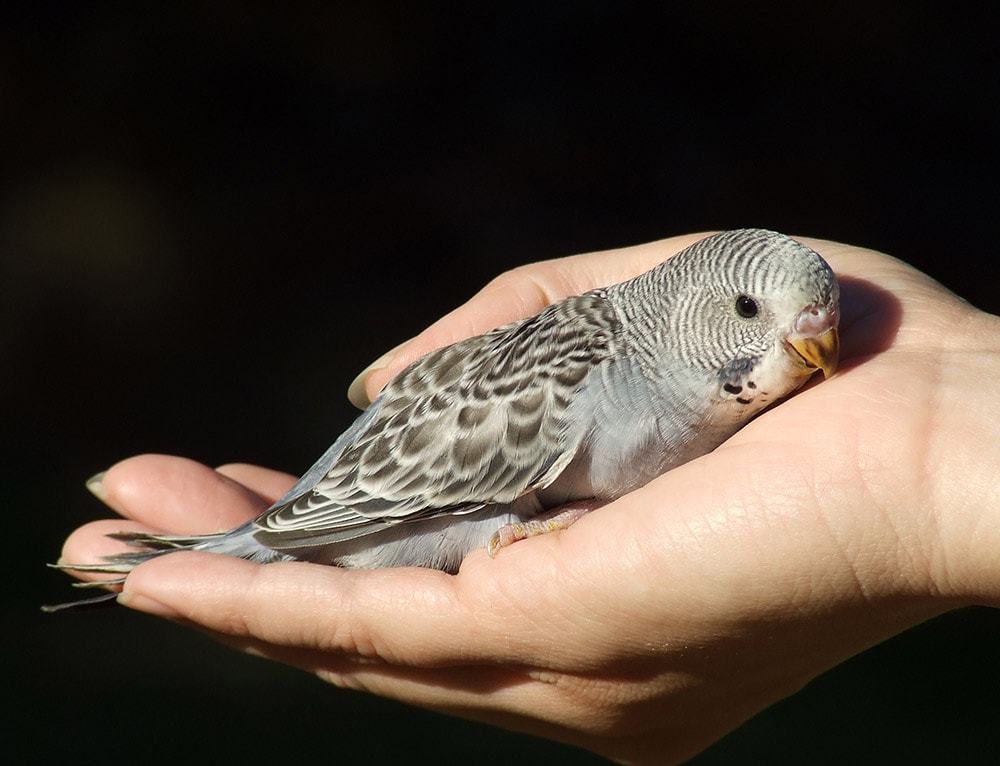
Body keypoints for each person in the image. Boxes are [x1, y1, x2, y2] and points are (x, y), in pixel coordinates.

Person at [58, 233, 1000, 765]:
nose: (811, 347)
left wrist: (924, 464)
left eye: (820, 325)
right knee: (228, 560)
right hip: (383, 514)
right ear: (698, 309)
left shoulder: (692, 377)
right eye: (756, 315)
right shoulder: (583, 375)